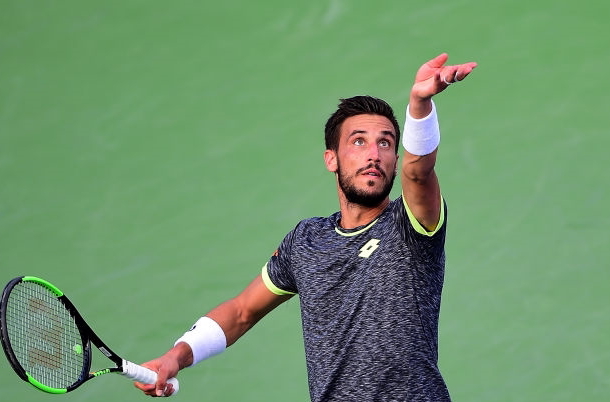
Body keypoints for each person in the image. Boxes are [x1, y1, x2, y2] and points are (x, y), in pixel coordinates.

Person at [135, 53, 477, 401]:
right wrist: (176, 356)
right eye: (358, 141)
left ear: (395, 159)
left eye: (385, 143)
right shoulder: (306, 241)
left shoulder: (412, 226)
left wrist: (419, 103)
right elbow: (241, 312)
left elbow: (419, 171)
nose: (373, 153)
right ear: (332, 158)